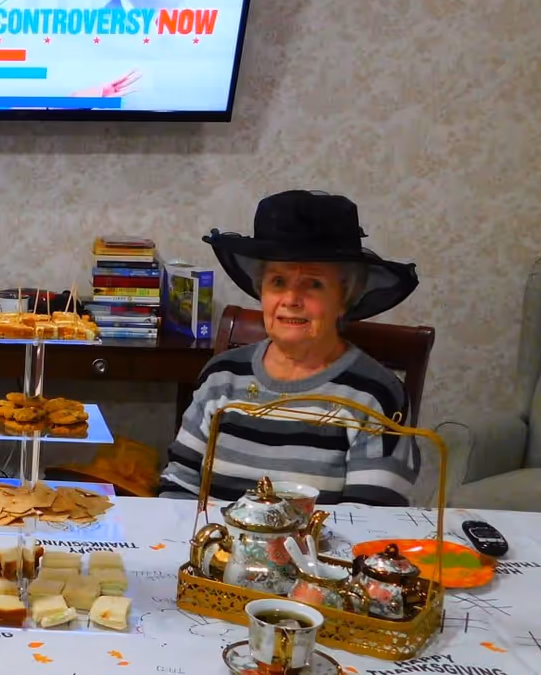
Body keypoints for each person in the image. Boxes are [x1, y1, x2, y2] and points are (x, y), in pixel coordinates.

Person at [161, 191, 422, 505]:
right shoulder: (221, 375)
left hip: (320, 553)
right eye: (278, 282)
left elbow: (370, 520)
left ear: (344, 298)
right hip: (214, 549)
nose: (290, 299)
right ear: (262, 291)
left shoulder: (375, 394)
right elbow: (179, 485)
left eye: (313, 284)